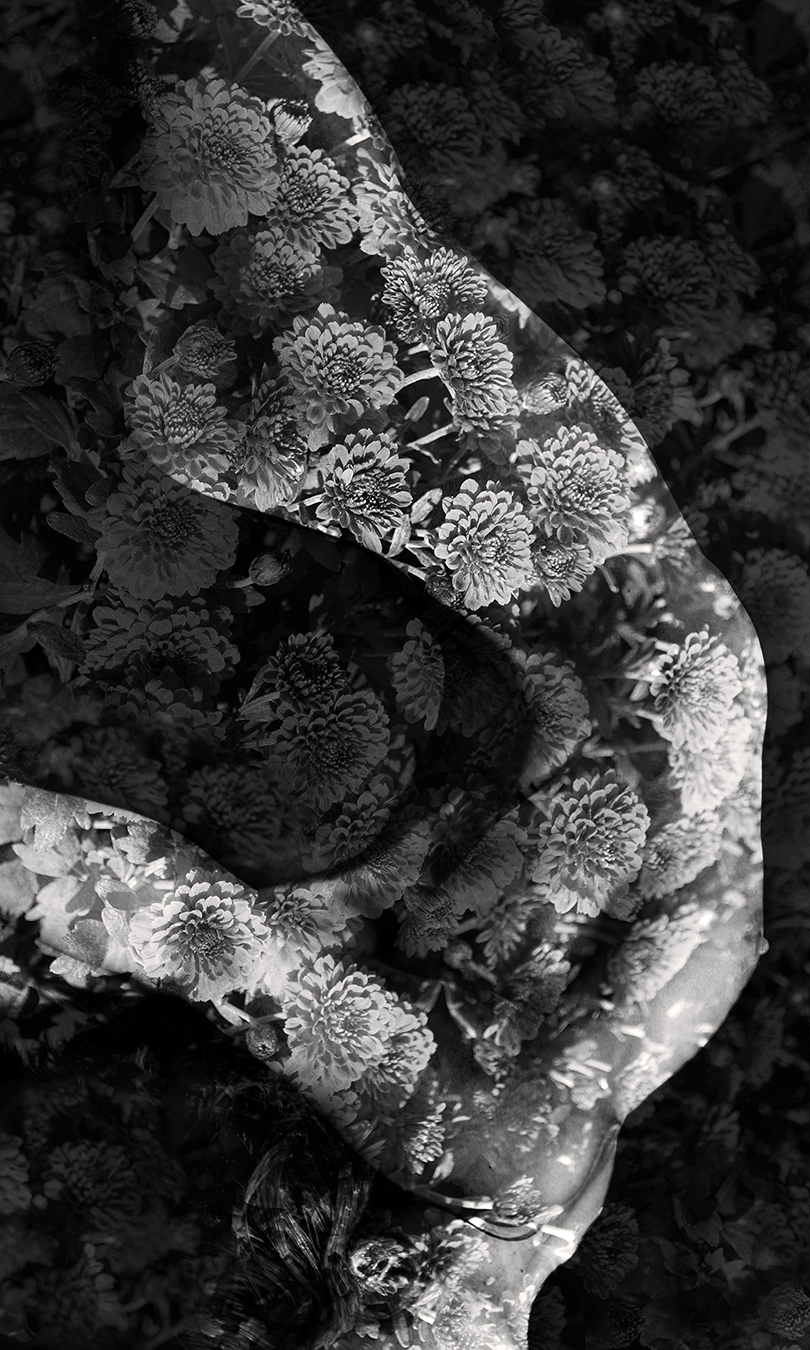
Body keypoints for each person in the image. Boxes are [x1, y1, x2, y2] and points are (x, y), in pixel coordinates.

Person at [0, 1, 767, 1346]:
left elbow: (553, 906)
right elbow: (170, 908)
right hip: (595, 592)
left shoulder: (531, 1186)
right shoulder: (484, 1161)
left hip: (604, 646)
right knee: (301, 268)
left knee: (237, 348)